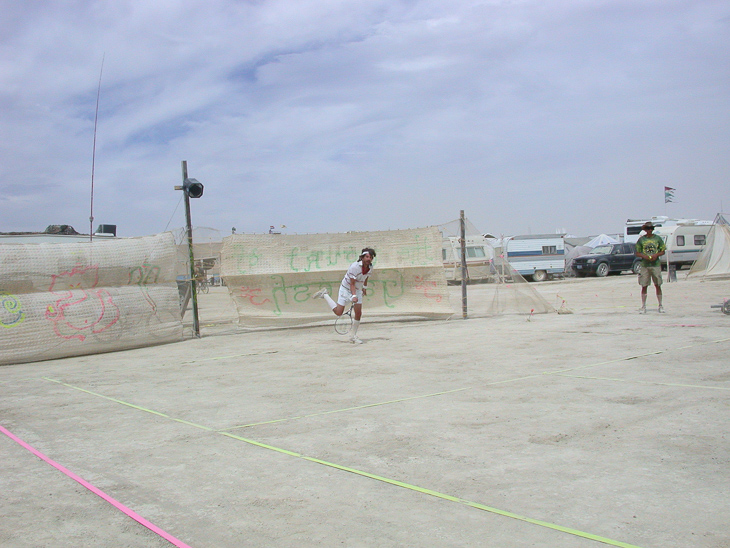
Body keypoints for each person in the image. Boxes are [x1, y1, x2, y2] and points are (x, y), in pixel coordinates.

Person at [312, 247, 375, 344]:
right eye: (367, 257)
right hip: (346, 288)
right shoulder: (354, 267)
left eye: (371, 257)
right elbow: (352, 284)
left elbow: (366, 278)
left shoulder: (370, 268)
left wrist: (364, 288)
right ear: (362, 257)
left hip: (357, 290)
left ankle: (353, 336)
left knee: (358, 313)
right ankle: (325, 295)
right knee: (338, 312)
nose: (369, 259)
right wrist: (353, 295)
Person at [635, 222, 666, 314]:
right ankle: (643, 306)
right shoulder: (641, 240)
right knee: (644, 285)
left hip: (655, 265)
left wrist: (656, 255)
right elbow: (637, 252)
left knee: (658, 284)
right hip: (645, 265)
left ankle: (660, 305)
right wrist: (644, 256)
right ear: (645, 230)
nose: (650, 230)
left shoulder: (658, 239)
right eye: (648, 228)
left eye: (651, 228)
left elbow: (663, 250)